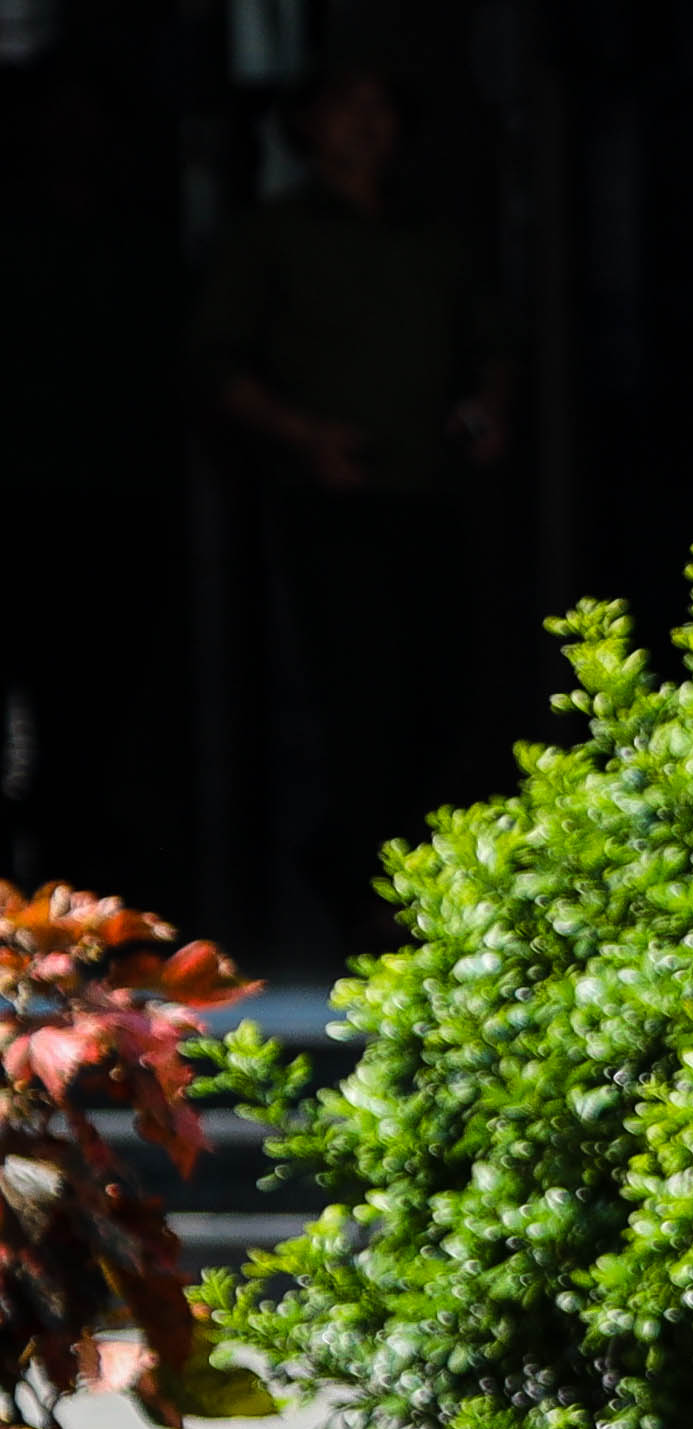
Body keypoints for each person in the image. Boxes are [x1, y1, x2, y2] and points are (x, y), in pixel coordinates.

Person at [193, 68, 505, 951]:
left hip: (432, 491)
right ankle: (355, 881)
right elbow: (218, 365)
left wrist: (490, 410)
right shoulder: (272, 237)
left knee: (443, 692)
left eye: (382, 106)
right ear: (307, 126)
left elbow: (489, 342)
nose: (366, 124)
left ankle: (411, 878)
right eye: (346, 106)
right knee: (356, 694)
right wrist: (303, 436)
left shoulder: (432, 236)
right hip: (331, 498)